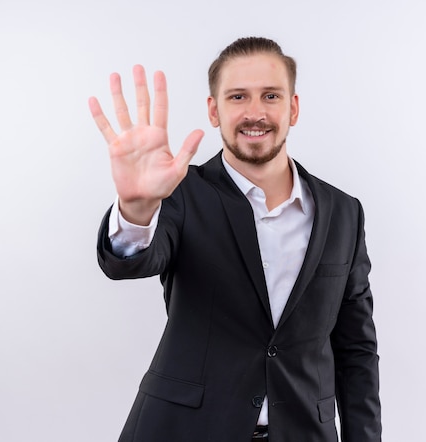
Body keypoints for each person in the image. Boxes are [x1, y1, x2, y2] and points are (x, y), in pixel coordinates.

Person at [89, 37, 381, 442]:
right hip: (184, 431)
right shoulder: (180, 193)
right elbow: (132, 261)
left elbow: (356, 352)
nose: (255, 112)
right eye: (238, 96)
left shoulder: (344, 212)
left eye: (271, 95)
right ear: (215, 110)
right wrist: (136, 209)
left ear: (293, 108)